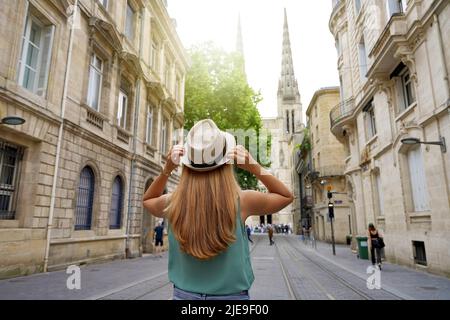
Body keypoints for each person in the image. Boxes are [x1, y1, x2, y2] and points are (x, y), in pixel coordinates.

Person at [143, 119, 293, 300]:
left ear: (187, 164)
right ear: (225, 163)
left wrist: (166, 170)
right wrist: (254, 166)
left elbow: (148, 200)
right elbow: (286, 196)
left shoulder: (174, 202)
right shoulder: (242, 201)